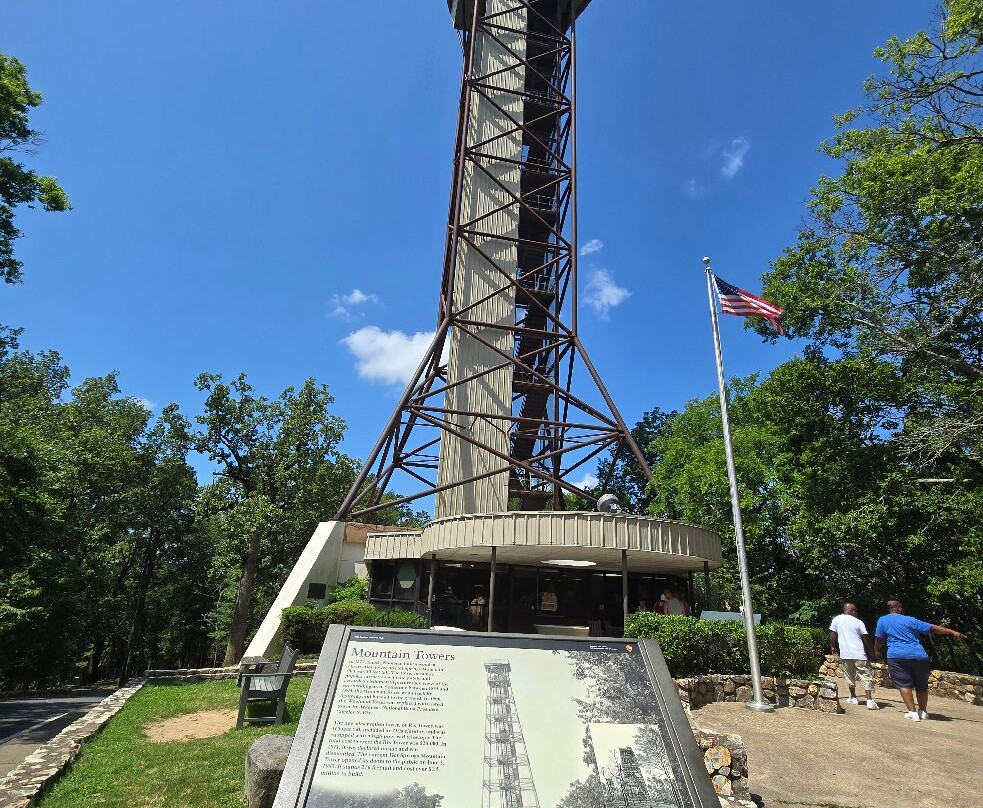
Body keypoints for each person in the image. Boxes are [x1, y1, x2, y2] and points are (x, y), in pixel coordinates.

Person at [874, 599, 968, 721]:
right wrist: (951, 632)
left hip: (897, 656)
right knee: (921, 685)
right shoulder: (910, 620)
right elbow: (932, 628)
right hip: (919, 656)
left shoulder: (883, 620)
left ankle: (912, 712)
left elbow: (879, 639)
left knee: (903, 683)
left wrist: (876, 650)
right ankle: (922, 711)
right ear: (898, 607)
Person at [829, 602, 878, 709]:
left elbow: (833, 635)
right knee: (865, 675)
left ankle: (853, 697)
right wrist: (872, 652)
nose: (856, 613)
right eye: (855, 610)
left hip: (845, 653)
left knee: (849, 675)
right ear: (852, 611)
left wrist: (833, 646)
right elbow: (866, 638)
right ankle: (869, 700)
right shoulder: (858, 622)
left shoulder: (836, 619)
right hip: (859, 653)